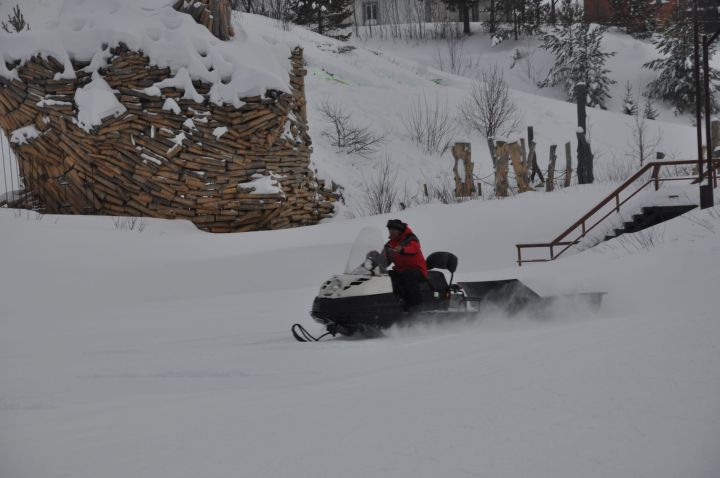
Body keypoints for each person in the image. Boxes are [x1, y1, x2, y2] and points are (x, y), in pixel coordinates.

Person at [384, 219, 428, 312]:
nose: (391, 231)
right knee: (386, 276)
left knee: (408, 275)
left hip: (418, 270)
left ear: (400, 230)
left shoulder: (410, 238)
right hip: (401, 271)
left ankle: (416, 307)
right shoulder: (390, 244)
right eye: (390, 229)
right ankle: (393, 302)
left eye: (394, 229)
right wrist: (374, 259)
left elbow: (414, 248)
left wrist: (403, 250)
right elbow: (384, 258)